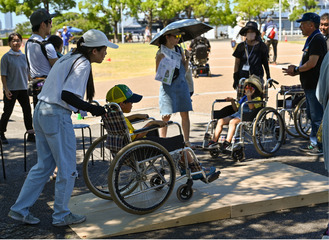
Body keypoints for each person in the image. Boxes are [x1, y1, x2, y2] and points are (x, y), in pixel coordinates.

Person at [8, 29, 118, 226]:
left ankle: (19, 209)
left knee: (43, 166)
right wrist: (94, 109)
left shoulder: (69, 57)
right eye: (104, 50)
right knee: (67, 168)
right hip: (56, 115)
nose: (106, 53)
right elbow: (67, 95)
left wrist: (86, 108)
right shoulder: (83, 63)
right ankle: (61, 215)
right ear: (94, 51)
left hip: (42, 111)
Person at [105, 84, 219, 180]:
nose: (132, 104)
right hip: (139, 149)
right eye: (130, 102)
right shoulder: (122, 121)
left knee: (163, 136)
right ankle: (196, 169)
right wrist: (150, 124)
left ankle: (188, 166)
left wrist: (136, 116)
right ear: (122, 104)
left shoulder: (114, 117)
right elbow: (134, 137)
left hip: (130, 148)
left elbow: (125, 122)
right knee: (179, 143)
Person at [282, 12, 327, 156]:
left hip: (315, 85)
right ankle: (314, 143)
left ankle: (320, 146)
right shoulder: (312, 39)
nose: (300, 27)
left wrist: (296, 69)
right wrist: (296, 71)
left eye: (302, 24)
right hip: (309, 85)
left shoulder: (317, 39)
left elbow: (312, 63)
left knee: (317, 117)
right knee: (312, 115)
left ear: (311, 25)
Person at [156, 30, 193, 148]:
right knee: (166, 116)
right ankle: (163, 142)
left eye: (179, 36)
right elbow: (158, 73)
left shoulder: (179, 49)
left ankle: (186, 141)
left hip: (182, 85)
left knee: (185, 113)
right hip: (168, 87)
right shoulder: (161, 52)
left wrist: (187, 58)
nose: (178, 39)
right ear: (167, 37)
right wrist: (161, 61)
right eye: (175, 36)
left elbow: (185, 69)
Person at [206, 75, 263, 150]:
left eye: (250, 88)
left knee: (232, 122)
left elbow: (251, 108)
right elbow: (236, 109)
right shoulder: (244, 98)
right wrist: (232, 101)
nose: (247, 90)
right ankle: (214, 141)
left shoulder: (257, 99)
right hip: (237, 114)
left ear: (255, 90)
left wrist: (249, 96)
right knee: (220, 121)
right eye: (246, 88)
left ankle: (227, 142)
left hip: (248, 116)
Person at [0, 33, 34, 144]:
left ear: (21, 42)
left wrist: (33, 82)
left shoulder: (24, 56)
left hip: (23, 88)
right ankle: (1, 133)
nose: (16, 43)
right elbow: (3, 75)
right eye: (13, 41)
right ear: (9, 43)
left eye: (18, 40)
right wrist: (6, 89)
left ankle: (30, 133)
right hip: (11, 89)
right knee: (7, 112)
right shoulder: (6, 57)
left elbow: (27, 73)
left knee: (27, 111)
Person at [26, 8, 59, 108]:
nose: (51, 25)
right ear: (43, 25)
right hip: (49, 89)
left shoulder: (28, 43)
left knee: (38, 118)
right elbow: (58, 68)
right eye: (50, 21)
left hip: (36, 87)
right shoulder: (47, 45)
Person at [232, 21, 271, 89]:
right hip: (243, 77)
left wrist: (268, 77)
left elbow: (265, 63)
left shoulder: (262, 46)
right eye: (248, 32)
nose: (250, 34)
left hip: (257, 78)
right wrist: (235, 78)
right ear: (245, 33)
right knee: (243, 98)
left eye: (252, 31)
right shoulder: (241, 46)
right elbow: (237, 63)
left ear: (256, 33)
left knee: (257, 98)